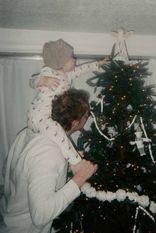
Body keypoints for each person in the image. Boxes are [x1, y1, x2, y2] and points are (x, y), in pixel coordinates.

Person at [0, 88, 97, 233]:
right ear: (76, 123)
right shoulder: (49, 153)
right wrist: (80, 178)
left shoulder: (27, 133)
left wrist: (67, 164)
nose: (88, 117)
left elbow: (23, 172)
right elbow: (41, 215)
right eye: (86, 115)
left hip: (8, 219)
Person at [28, 38, 108, 165]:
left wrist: (99, 63)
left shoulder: (66, 75)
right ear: (60, 63)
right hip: (40, 116)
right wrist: (42, 81)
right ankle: (77, 162)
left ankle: (71, 159)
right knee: (60, 136)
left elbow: (82, 69)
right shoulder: (49, 72)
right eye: (71, 57)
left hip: (49, 115)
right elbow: (32, 81)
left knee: (52, 138)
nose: (75, 59)